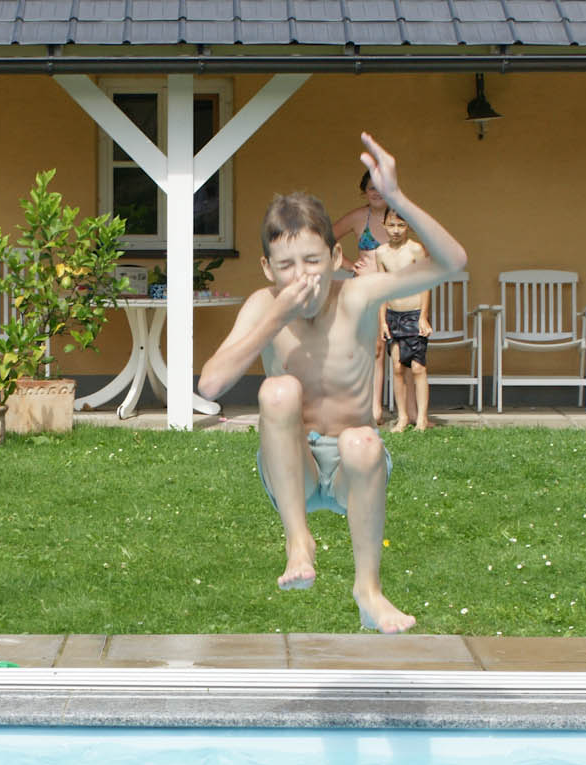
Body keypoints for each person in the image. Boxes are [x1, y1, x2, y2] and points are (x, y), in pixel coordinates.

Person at [197, 134, 467, 634]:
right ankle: (298, 540)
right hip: (292, 464)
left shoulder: (357, 298)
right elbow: (211, 385)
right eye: (286, 266)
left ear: (336, 256)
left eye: (313, 261)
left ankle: (369, 591)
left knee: (362, 442)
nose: (302, 276)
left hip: (353, 465)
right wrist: (275, 316)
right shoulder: (264, 305)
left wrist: (397, 197)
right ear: (267, 269)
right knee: (277, 391)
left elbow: (453, 262)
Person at [334, 170, 391, 423]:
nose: (377, 192)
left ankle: (391, 409)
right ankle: (368, 407)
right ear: (364, 191)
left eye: (381, 187)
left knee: (389, 349)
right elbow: (325, 239)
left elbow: (423, 245)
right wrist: (349, 265)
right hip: (365, 289)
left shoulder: (400, 217)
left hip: (394, 289)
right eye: (371, 188)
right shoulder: (358, 217)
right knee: (369, 346)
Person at [375, 208, 433, 432]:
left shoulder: (415, 249)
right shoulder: (381, 253)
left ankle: (422, 419)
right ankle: (402, 417)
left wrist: (423, 317)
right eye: (392, 225)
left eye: (401, 225)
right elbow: (382, 288)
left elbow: (425, 283)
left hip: (414, 314)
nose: (396, 230)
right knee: (398, 368)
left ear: (408, 226)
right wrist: (383, 321)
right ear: (384, 225)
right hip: (393, 315)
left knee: (417, 367)